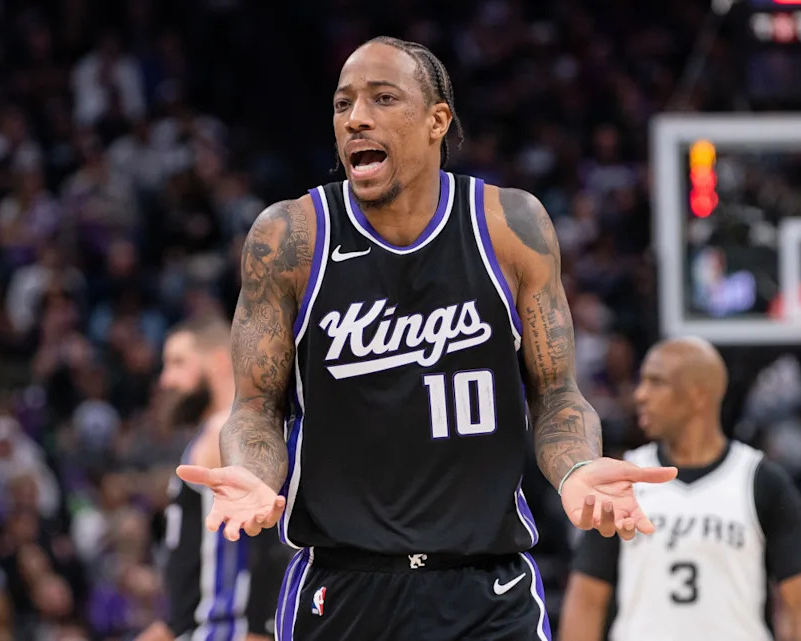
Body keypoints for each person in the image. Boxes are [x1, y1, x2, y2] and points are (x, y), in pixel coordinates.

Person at [177, 37, 677, 641]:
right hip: (343, 587)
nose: (356, 117)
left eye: (383, 98)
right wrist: (256, 475)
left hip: (486, 589)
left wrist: (574, 468)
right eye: (343, 105)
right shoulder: (290, 238)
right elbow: (257, 409)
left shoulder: (510, 227)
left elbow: (556, 394)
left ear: (438, 120)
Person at [560, 337, 801, 641]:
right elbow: (587, 599)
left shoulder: (761, 480)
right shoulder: (625, 479)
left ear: (698, 395)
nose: (640, 395)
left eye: (656, 382)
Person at [137, 315, 291, 641]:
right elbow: (192, 568)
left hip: (228, 630)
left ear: (220, 362)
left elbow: (272, 538)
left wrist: (260, 628)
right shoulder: (210, 434)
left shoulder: (228, 429)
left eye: (179, 362)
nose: (166, 379)